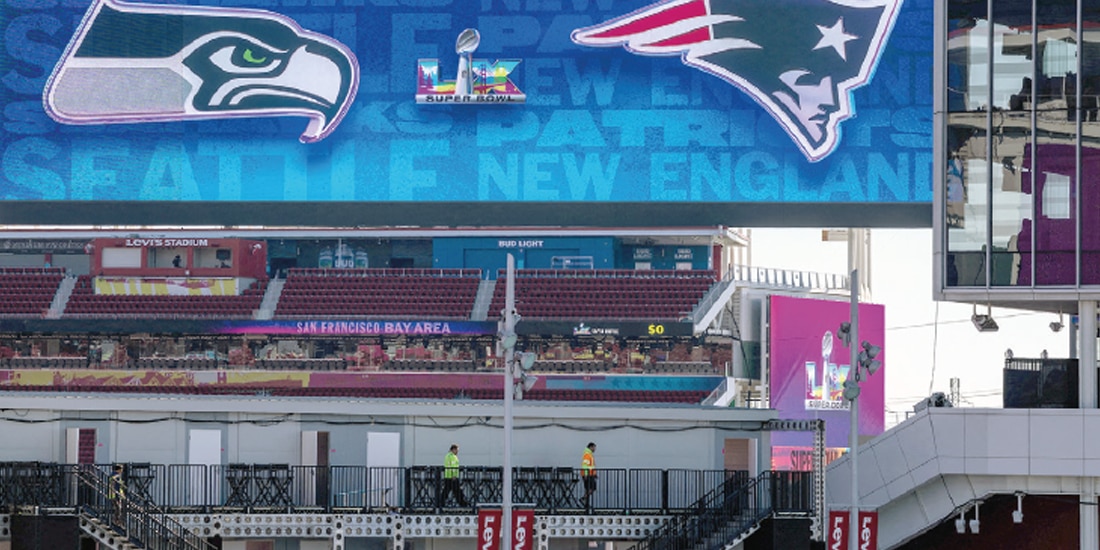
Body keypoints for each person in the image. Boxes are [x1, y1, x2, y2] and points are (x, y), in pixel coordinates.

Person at [580, 442, 597, 509]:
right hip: (588, 475)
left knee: (589, 488)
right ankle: (584, 499)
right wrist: (586, 474)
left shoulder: (589, 454)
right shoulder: (587, 455)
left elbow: (591, 466)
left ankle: (586, 503)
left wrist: (594, 474)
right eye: (594, 447)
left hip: (590, 474)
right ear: (591, 447)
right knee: (592, 487)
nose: (595, 449)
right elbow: (585, 466)